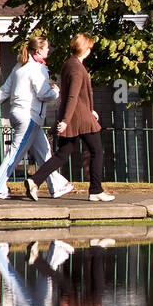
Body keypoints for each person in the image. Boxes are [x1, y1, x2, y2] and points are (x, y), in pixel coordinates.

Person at [0, 34, 74, 201]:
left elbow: (4, 90)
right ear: (38, 51)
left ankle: (57, 186)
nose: (49, 51)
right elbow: (43, 93)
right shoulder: (36, 68)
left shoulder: (19, 66)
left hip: (20, 114)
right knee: (16, 153)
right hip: (29, 116)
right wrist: (56, 92)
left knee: (44, 152)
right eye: (46, 48)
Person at [28, 33, 115, 202]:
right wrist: (66, 121)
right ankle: (96, 190)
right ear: (86, 49)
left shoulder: (69, 64)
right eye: (89, 47)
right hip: (80, 119)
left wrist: (90, 110)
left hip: (79, 115)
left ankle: (35, 180)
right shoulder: (77, 68)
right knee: (97, 151)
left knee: (63, 153)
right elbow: (72, 97)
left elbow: (76, 95)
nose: (90, 50)